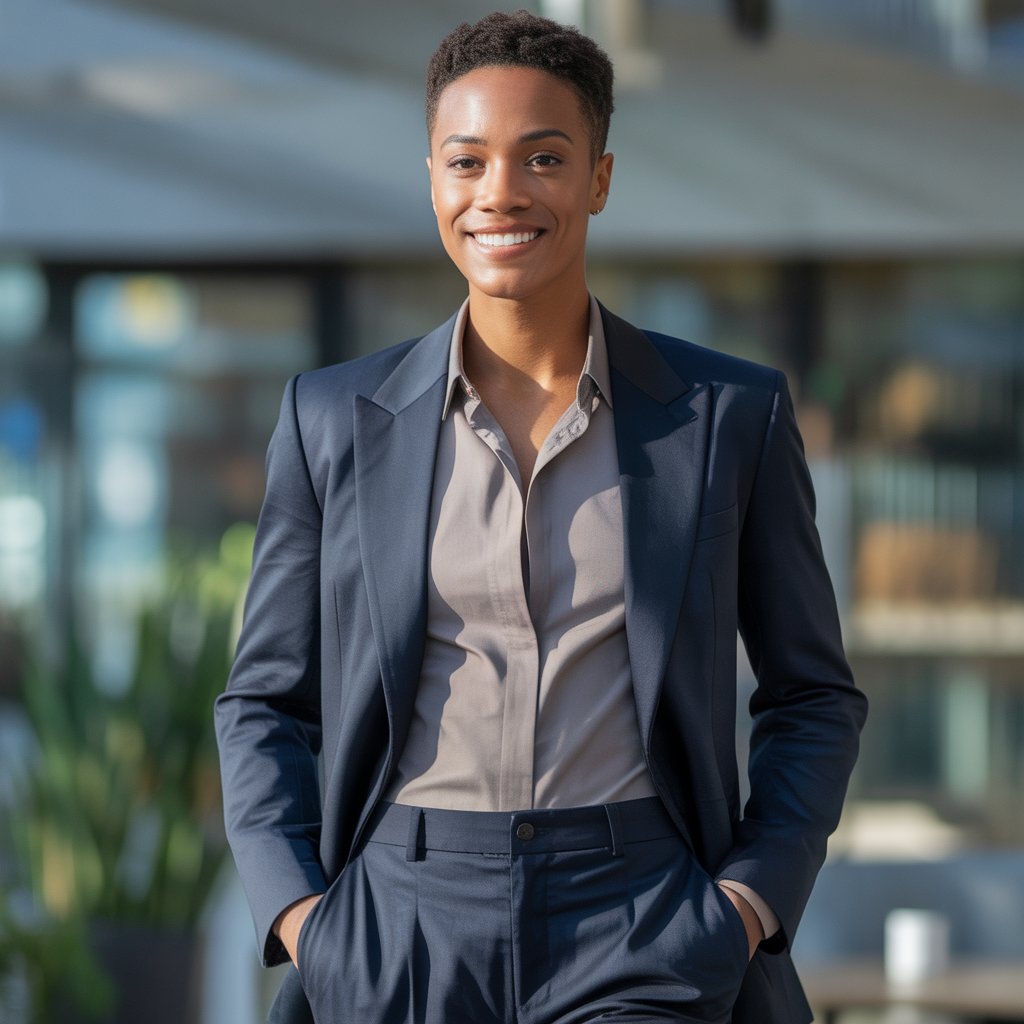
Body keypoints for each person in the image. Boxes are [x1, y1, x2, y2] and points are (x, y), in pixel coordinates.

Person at [215, 10, 867, 1024]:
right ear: (431, 176)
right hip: (401, 915)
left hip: (643, 912)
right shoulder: (331, 419)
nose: (500, 194)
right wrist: (303, 914)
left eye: (543, 158)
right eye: (465, 161)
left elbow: (812, 692)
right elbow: (263, 699)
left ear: (599, 178)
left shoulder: (728, 413)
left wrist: (744, 903)